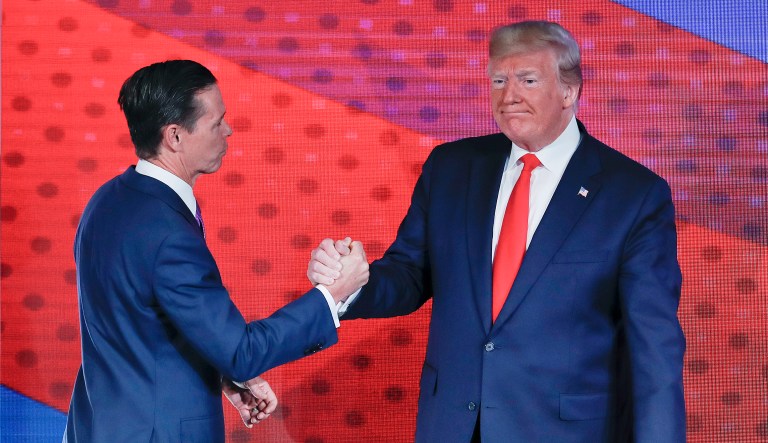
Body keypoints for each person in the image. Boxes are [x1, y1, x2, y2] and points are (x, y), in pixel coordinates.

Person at [309, 21, 685, 442]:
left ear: (569, 91)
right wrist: (353, 285)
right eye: (499, 80)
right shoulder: (450, 168)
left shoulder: (632, 194)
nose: (509, 96)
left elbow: (654, 348)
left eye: (527, 80)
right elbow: (410, 273)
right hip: (452, 426)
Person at [63, 60, 368, 442]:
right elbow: (243, 351)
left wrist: (221, 373)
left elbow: (140, 320)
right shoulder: (169, 233)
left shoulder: (107, 200)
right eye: (216, 122)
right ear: (174, 136)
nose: (229, 130)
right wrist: (334, 295)